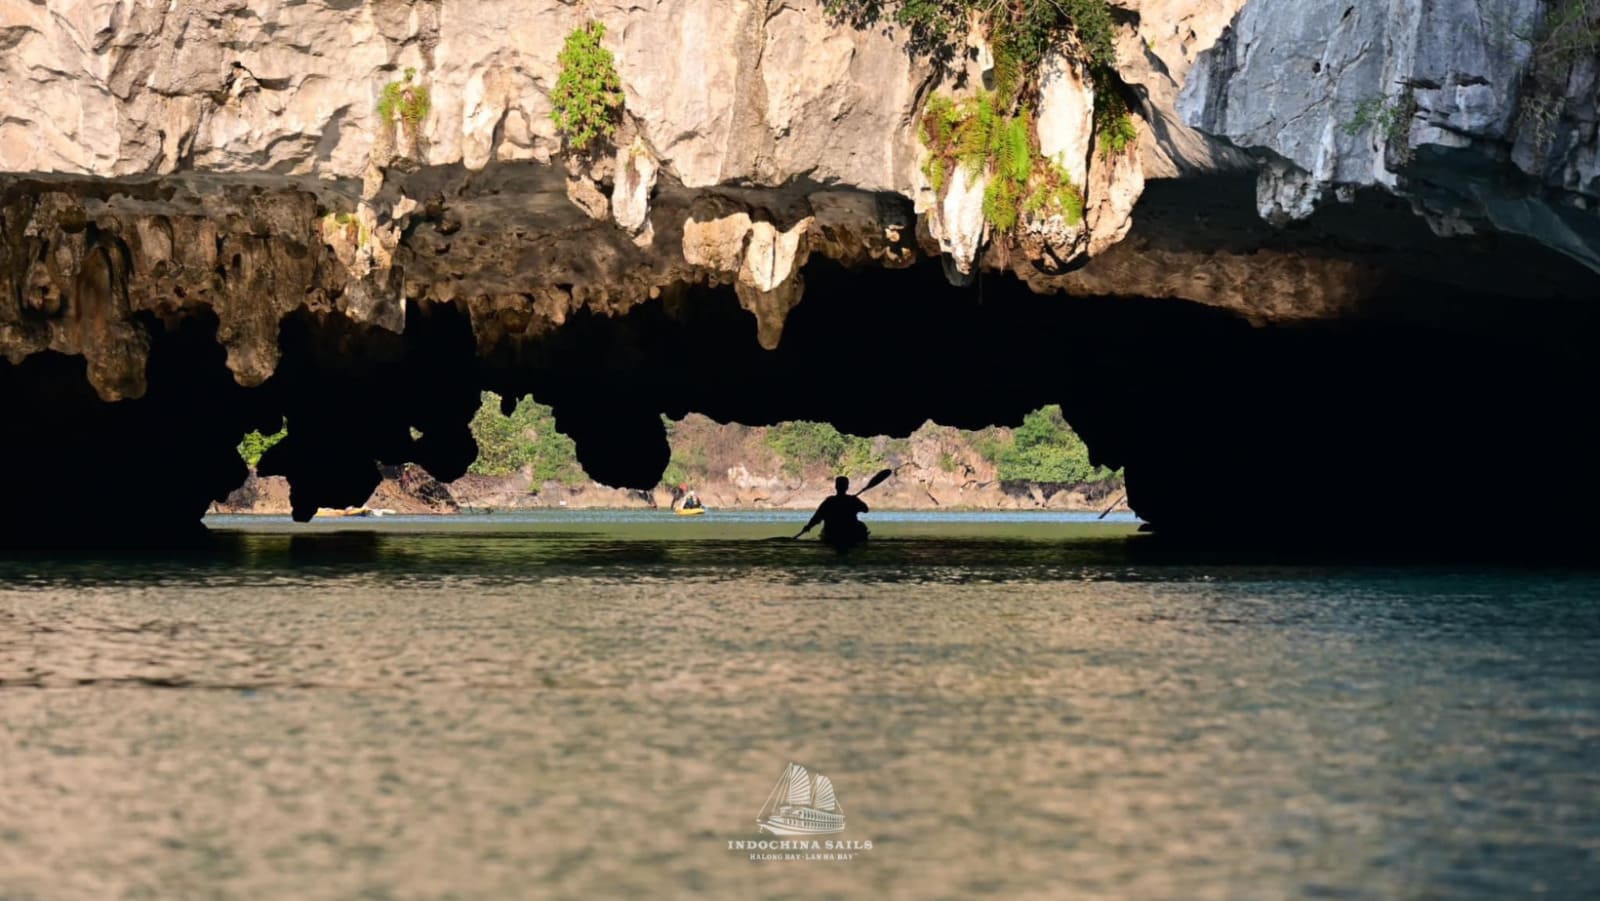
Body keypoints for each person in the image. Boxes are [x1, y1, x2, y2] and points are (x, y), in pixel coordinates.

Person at [797, 476, 870, 551]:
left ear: (836, 487)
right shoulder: (852, 500)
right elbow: (866, 509)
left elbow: (817, 517)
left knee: (861, 525)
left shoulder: (829, 501)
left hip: (832, 532)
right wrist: (855, 500)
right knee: (861, 526)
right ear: (847, 487)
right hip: (850, 532)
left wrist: (808, 526)